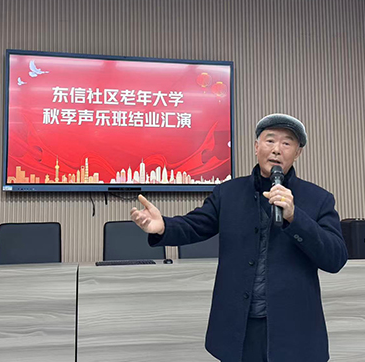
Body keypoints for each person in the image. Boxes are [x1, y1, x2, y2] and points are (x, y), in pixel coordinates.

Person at [130, 113, 348, 362]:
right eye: (270, 140)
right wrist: (163, 226)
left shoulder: (319, 199)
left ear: (297, 153)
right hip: (239, 328)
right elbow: (194, 225)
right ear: (256, 147)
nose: (277, 149)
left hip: (294, 331)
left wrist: (295, 217)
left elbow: (335, 258)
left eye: (287, 143)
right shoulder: (228, 193)